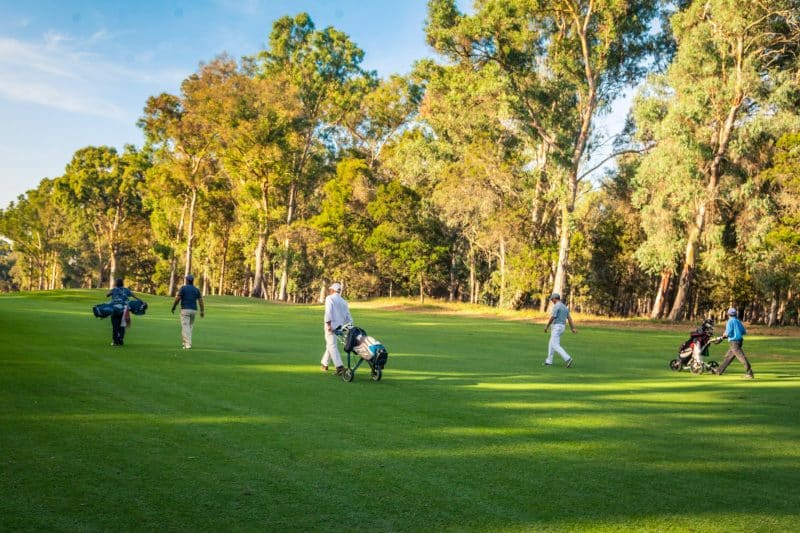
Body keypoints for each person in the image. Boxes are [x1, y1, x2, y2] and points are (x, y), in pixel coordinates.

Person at [713, 308, 754, 379]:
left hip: (734, 342)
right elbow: (743, 331)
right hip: (739, 341)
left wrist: (723, 335)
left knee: (741, 357)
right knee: (728, 357)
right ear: (735, 314)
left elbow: (728, 333)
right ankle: (719, 371)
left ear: (728, 314)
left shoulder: (729, 321)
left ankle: (749, 373)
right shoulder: (738, 321)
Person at [321, 282, 351, 375]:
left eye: (330, 289)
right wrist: (349, 326)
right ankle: (324, 364)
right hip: (341, 327)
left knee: (332, 345)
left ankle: (339, 366)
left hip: (331, 326)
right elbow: (348, 316)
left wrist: (328, 324)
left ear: (333, 290)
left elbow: (328, 312)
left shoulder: (329, 298)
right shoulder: (344, 301)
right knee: (330, 344)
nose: (329, 290)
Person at [171, 274, 204, 349]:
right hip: (193, 310)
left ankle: (187, 344)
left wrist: (174, 307)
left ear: (187, 281)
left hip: (185, 310)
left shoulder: (183, 288)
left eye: (185, 280)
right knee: (189, 327)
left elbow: (178, 298)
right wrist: (202, 311)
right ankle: (186, 343)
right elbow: (201, 301)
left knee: (185, 327)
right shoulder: (196, 289)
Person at [543, 293, 576, 368]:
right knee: (551, 343)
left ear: (555, 298)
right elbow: (569, 318)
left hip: (556, 327)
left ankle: (568, 358)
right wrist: (572, 328)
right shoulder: (564, 307)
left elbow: (553, 317)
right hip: (562, 327)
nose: (552, 301)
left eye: (552, 299)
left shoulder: (556, 306)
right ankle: (549, 361)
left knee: (555, 345)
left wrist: (546, 327)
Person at [106, 278, 142, 346]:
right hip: (124, 310)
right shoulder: (126, 290)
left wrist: (112, 293)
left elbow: (107, 295)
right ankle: (121, 339)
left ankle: (115, 341)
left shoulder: (114, 289)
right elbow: (134, 296)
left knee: (115, 326)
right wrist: (141, 301)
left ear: (116, 283)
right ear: (122, 283)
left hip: (115, 309)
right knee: (122, 325)